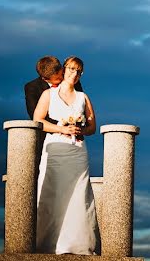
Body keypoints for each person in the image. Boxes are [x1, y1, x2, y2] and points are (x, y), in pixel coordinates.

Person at [33, 55, 100, 254]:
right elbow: (38, 121)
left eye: (78, 71)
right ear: (64, 69)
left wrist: (81, 130)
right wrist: (61, 129)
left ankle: (75, 243)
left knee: (79, 194)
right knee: (52, 193)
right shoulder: (48, 95)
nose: (74, 74)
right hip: (55, 149)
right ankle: (47, 244)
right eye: (71, 69)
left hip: (77, 152)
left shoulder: (83, 97)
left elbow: (92, 127)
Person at [25, 55, 83, 123]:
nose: (62, 78)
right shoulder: (32, 87)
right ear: (45, 79)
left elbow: (81, 105)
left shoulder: (73, 80)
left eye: (61, 74)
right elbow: (34, 116)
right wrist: (64, 125)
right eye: (57, 79)